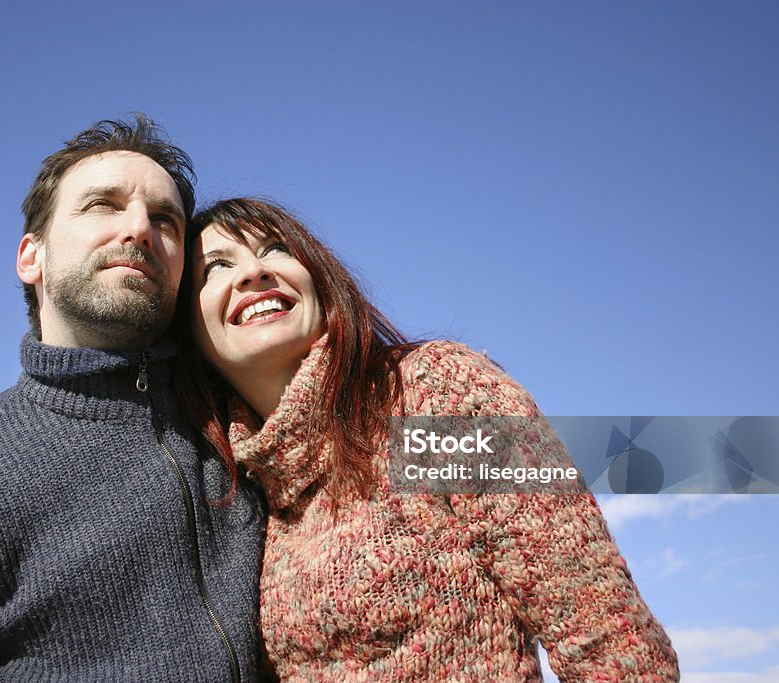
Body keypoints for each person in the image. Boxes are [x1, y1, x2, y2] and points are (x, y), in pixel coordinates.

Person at [0, 117, 265, 682]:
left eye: (165, 219)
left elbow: (412, 454)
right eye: (102, 205)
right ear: (31, 257)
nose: (138, 229)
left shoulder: (252, 417)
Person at [179, 197, 680, 682]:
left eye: (274, 249)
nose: (252, 271)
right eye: (215, 267)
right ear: (190, 333)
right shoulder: (237, 486)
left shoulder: (430, 391)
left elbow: (609, 640)